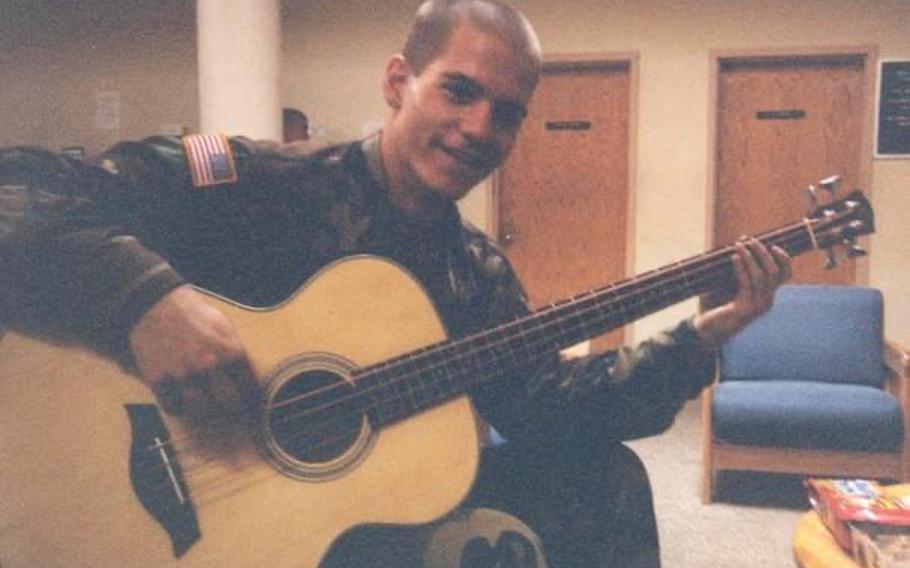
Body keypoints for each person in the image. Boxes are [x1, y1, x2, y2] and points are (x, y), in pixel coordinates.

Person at [0, 1, 790, 566]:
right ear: (397, 81)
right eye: (459, 90)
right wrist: (140, 297)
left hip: (325, 515)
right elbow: (21, 185)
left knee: (607, 480)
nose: (480, 127)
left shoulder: (471, 270)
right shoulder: (259, 182)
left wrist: (699, 338)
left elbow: (547, 409)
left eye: (508, 112)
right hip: (169, 483)